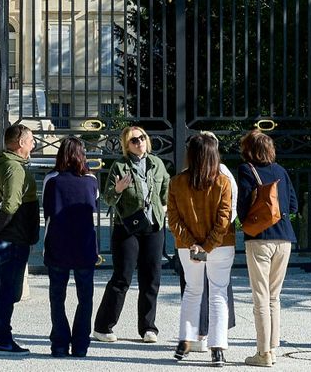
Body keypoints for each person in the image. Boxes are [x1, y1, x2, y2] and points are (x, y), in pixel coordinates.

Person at [93, 126, 170, 344]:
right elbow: (107, 199)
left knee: (151, 277)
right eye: (134, 140)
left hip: (153, 227)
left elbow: (166, 188)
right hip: (127, 228)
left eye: (143, 138)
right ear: (127, 145)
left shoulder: (157, 164)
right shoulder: (119, 166)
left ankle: (148, 327)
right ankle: (102, 327)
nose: (140, 142)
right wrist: (117, 190)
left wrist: (162, 208)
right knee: (122, 278)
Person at [167, 133, 235, 367]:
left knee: (192, 292)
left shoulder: (176, 182)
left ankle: (184, 341)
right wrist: (207, 245)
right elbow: (224, 219)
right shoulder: (223, 182)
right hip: (220, 245)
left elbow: (173, 220)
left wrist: (193, 244)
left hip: (188, 248)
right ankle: (217, 348)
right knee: (218, 294)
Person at [237, 129, 298, 367]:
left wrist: (247, 221)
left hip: (259, 238)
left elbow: (242, 205)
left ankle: (263, 354)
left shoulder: (246, 169)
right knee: (274, 297)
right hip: (284, 239)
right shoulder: (281, 171)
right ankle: (272, 348)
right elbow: (293, 205)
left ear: (249, 150)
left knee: (260, 297)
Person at [0, 124, 40, 356]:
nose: (34, 144)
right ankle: (3, 340)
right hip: (13, 237)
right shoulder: (15, 168)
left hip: (5, 237)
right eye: (31, 140)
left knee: (2, 288)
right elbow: (10, 205)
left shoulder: (2, 163)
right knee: (9, 291)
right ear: (20, 144)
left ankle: (0, 336)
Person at [42, 136, 99, 358]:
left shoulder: (52, 179)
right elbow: (94, 205)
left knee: (57, 297)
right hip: (84, 245)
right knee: (85, 297)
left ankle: (59, 343)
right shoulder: (91, 180)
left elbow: (47, 211)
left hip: (58, 243)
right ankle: (81, 344)